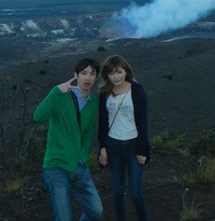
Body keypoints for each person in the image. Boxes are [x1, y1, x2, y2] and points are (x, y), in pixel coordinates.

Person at [33, 58, 103, 221]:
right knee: (63, 218)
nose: (87, 78)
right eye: (84, 73)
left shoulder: (93, 104)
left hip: (78, 167)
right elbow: (37, 117)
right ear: (76, 75)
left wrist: (82, 157)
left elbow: (87, 134)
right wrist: (55, 91)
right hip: (56, 166)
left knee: (96, 212)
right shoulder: (61, 96)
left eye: (92, 74)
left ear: (96, 77)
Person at [98, 55, 149, 221]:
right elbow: (102, 123)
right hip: (113, 147)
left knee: (135, 194)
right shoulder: (104, 93)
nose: (116, 76)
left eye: (119, 72)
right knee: (117, 193)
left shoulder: (137, 89)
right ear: (107, 75)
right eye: (111, 73)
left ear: (126, 71)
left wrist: (142, 151)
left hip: (134, 146)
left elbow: (143, 122)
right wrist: (102, 148)